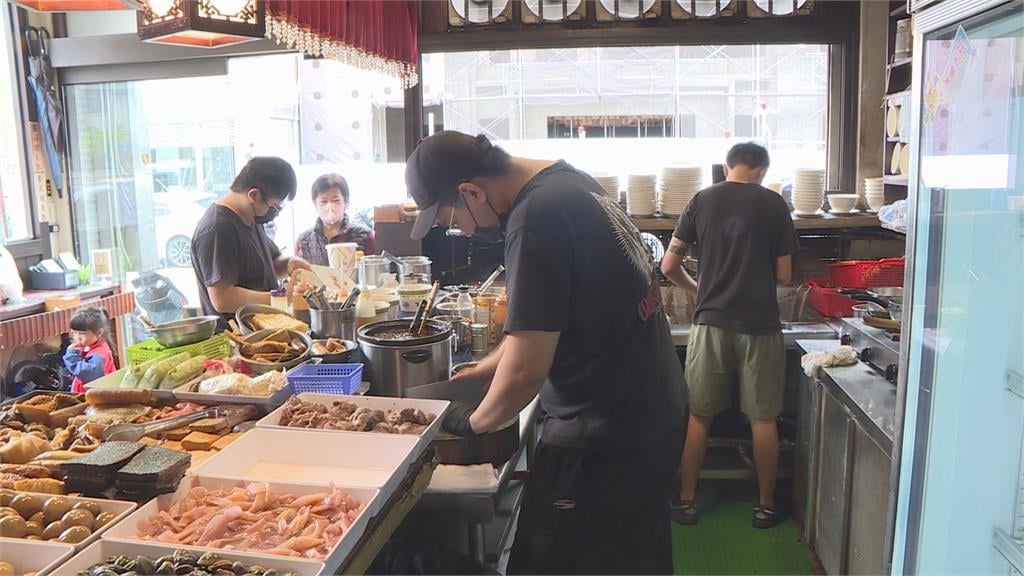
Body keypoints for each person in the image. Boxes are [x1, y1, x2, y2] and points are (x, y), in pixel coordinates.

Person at [406, 131, 687, 574]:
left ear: (471, 191)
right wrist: (489, 365)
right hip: (653, 409)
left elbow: (526, 374)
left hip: (605, 434)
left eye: (451, 217)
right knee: (630, 559)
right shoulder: (569, 182)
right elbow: (556, 316)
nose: (460, 229)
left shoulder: (535, 217)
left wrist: (471, 424)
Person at [660, 142, 796, 529]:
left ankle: (686, 500)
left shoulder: (700, 200)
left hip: (710, 324)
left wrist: (699, 289)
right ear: (762, 171)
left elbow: (669, 265)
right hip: (759, 326)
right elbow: (784, 276)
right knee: (763, 419)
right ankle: (766, 505)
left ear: (726, 166)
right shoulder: (775, 206)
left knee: (699, 416)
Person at [191, 156, 311, 328]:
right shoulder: (217, 229)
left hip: (266, 330)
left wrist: (289, 264)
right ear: (254, 195)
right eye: (274, 206)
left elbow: (267, 264)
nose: (274, 212)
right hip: (238, 340)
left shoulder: (249, 218)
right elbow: (223, 298)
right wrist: (282, 297)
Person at [295, 173, 375, 264]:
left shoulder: (365, 236)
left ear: (346, 203)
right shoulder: (303, 241)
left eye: (335, 200)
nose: (330, 206)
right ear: (315, 204)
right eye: (323, 201)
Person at [62, 307, 117, 393]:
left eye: (82, 334)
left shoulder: (99, 353)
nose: (77, 338)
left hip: (97, 397)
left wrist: (72, 356)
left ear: (99, 333)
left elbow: (87, 373)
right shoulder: (89, 345)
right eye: (74, 333)